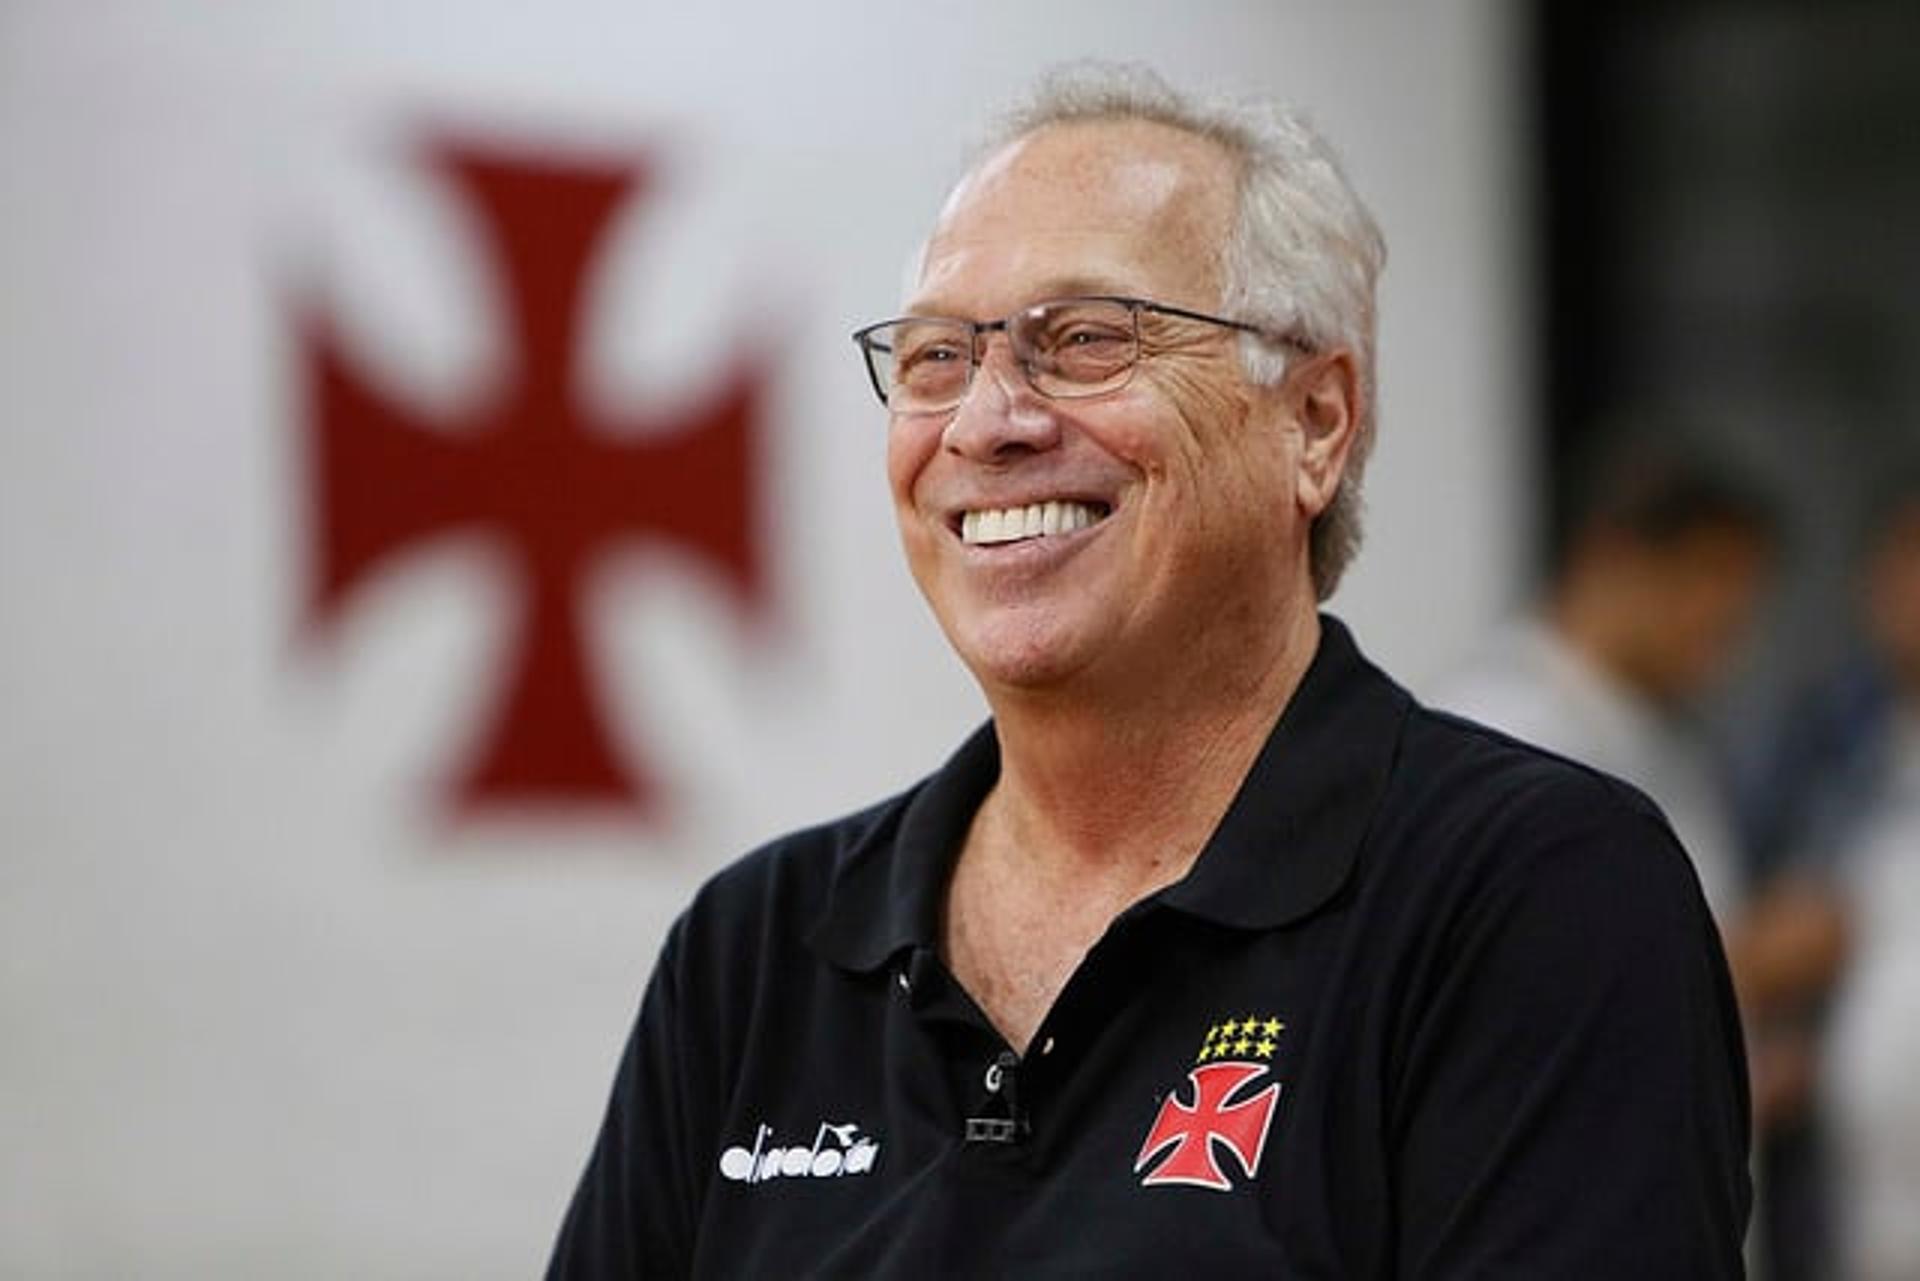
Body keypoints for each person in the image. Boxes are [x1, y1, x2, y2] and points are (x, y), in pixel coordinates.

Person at [548, 64, 1750, 1277]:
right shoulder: (756, 953)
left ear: (1316, 424)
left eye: (1084, 340)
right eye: (932, 360)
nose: (985, 423)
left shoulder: (1531, 900)